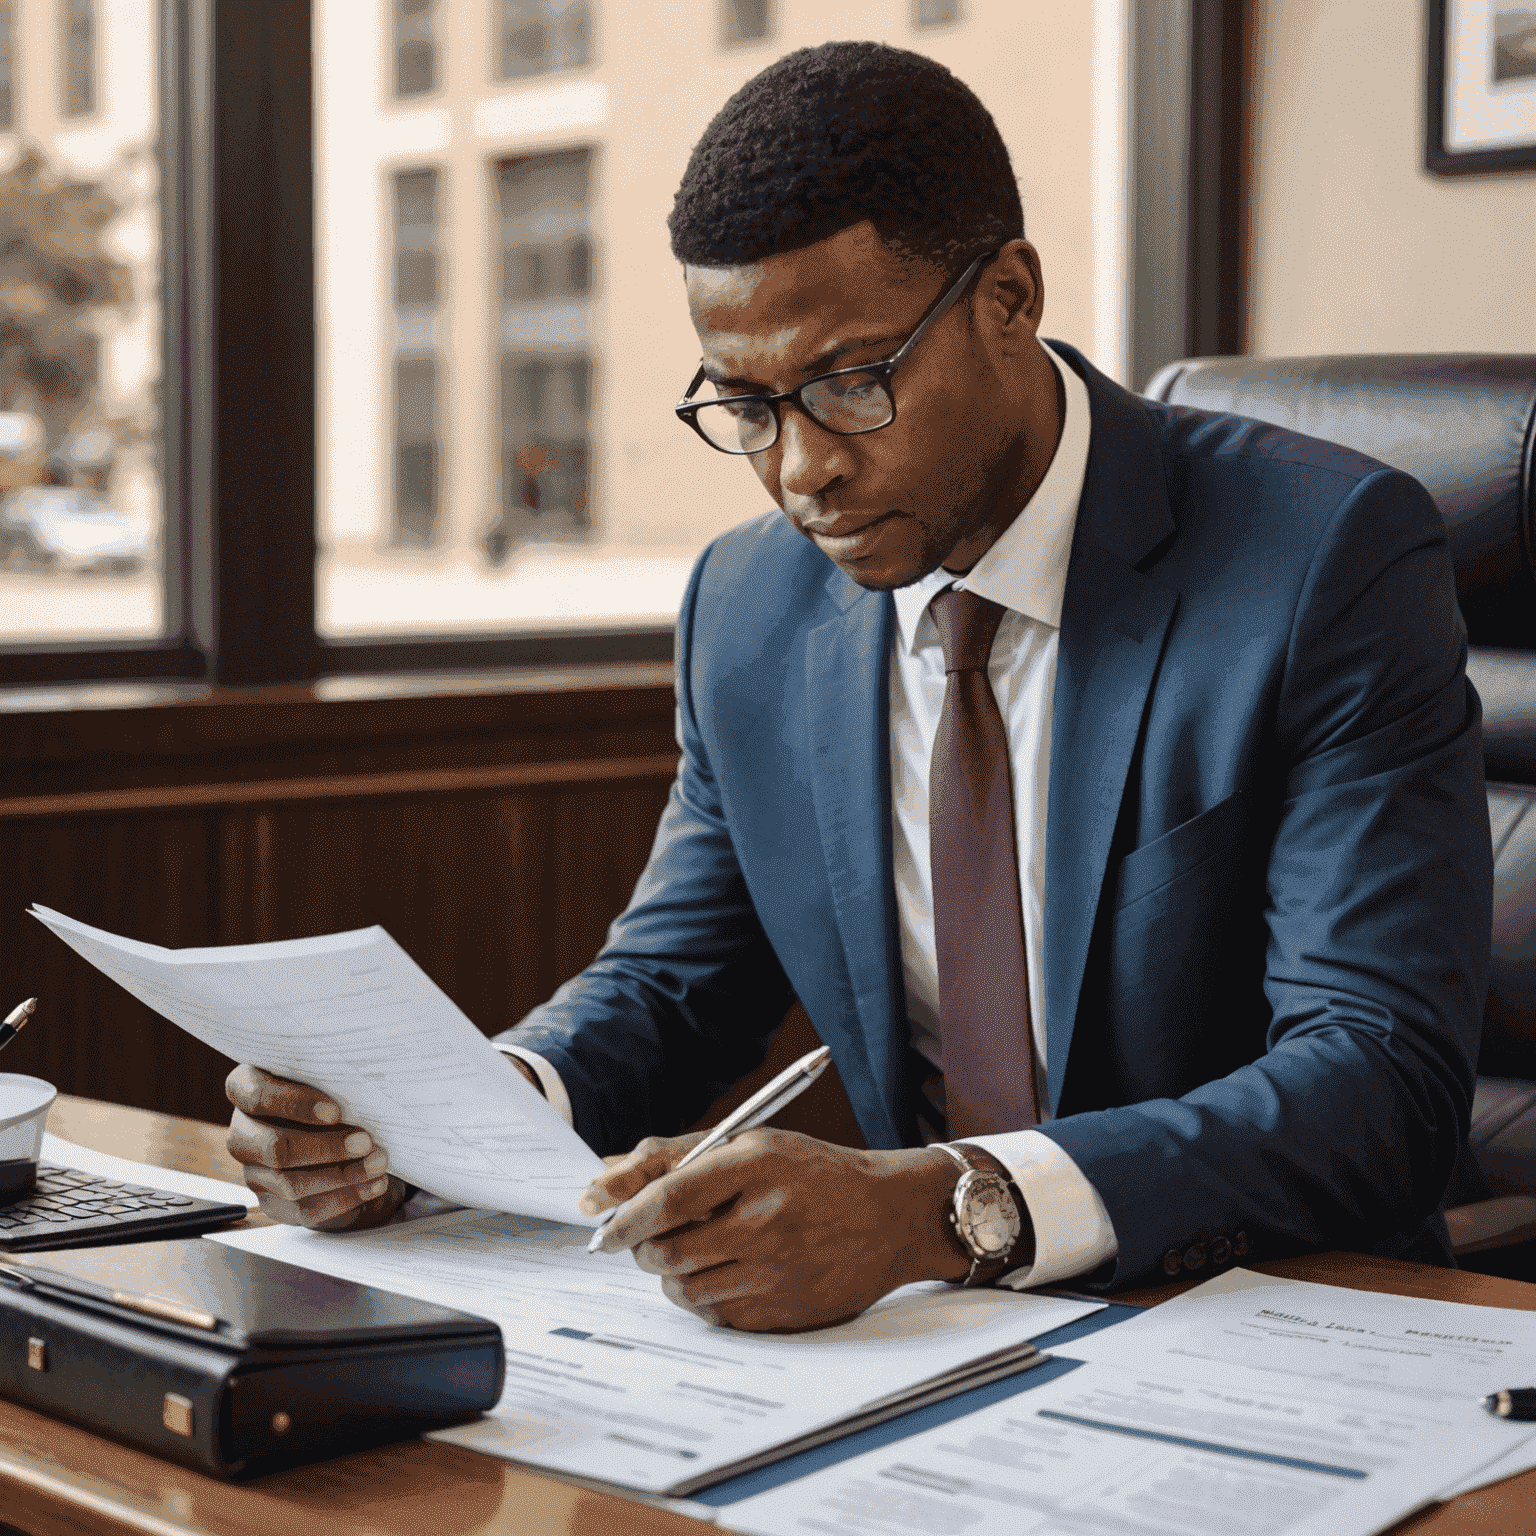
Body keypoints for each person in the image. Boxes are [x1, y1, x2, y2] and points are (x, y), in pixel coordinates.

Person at [225, 42, 1492, 1333]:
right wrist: (441, 1122)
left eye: (850, 383)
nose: (799, 471)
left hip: (1272, 1309)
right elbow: (673, 989)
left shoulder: (1319, 557)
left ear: (1009, 296)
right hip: (930, 1341)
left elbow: (1379, 1079)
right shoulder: (751, 606)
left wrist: (943, 1210)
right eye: (746, 404)